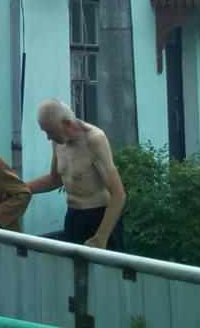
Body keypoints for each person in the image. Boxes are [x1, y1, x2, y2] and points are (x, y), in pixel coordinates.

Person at [27, 99, 126, 250]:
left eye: (50, 131)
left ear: (67, 123)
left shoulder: (94, 140)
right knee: (73, 271)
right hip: (74, 218)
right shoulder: (58, 141)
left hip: (100, 219)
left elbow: (118, 195)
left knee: (105, 273)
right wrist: (21, 188)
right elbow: (55, 179)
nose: (48, 137)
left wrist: (101, 237)